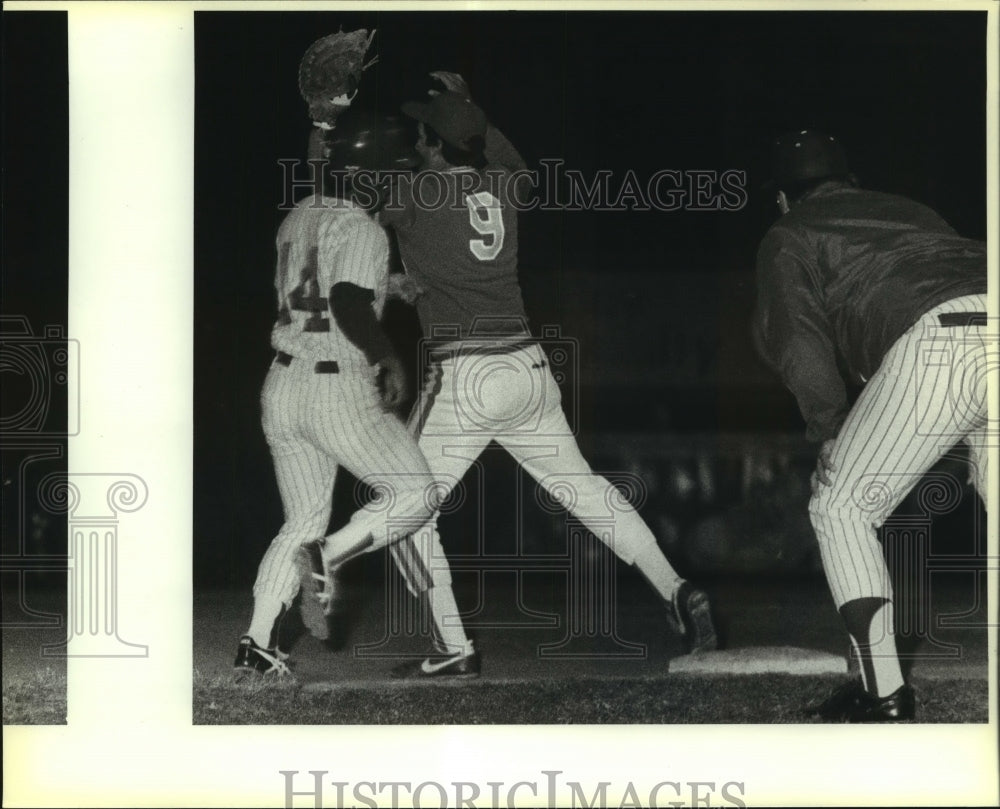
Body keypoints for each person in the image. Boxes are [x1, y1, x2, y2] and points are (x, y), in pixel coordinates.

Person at [303, 73, 718, 678]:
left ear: (432, 145)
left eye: (424, 132)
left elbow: (330, 206)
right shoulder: (504, 188)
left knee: (408, 504)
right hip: (528, 371)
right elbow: (506, 157)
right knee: (586, 491)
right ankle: (677, 588)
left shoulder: (413, 195)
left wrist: (320, 135)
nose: (416, 138)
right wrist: (472, 108)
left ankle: (348, 567)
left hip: (464, 377)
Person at [753, 129, 989, 721]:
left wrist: (829, 423)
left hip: (944, 343)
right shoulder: (912, 210)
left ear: (783, 197)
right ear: (850, 181)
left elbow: (799, 338)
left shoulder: (791, 231)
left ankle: (882, 694)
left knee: (841, 508)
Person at [233, 112, 461, 677]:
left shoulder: (298, 214)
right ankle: (327, 558)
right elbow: (348, 302)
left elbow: (326, 273)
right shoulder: (362, 227)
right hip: (335, 388)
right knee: (415, 494)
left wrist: (387, 285)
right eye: (392, 170)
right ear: (370, 172)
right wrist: (385, 352)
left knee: (302, 517)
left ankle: (257, 646)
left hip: (282, 385)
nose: (397, 179)